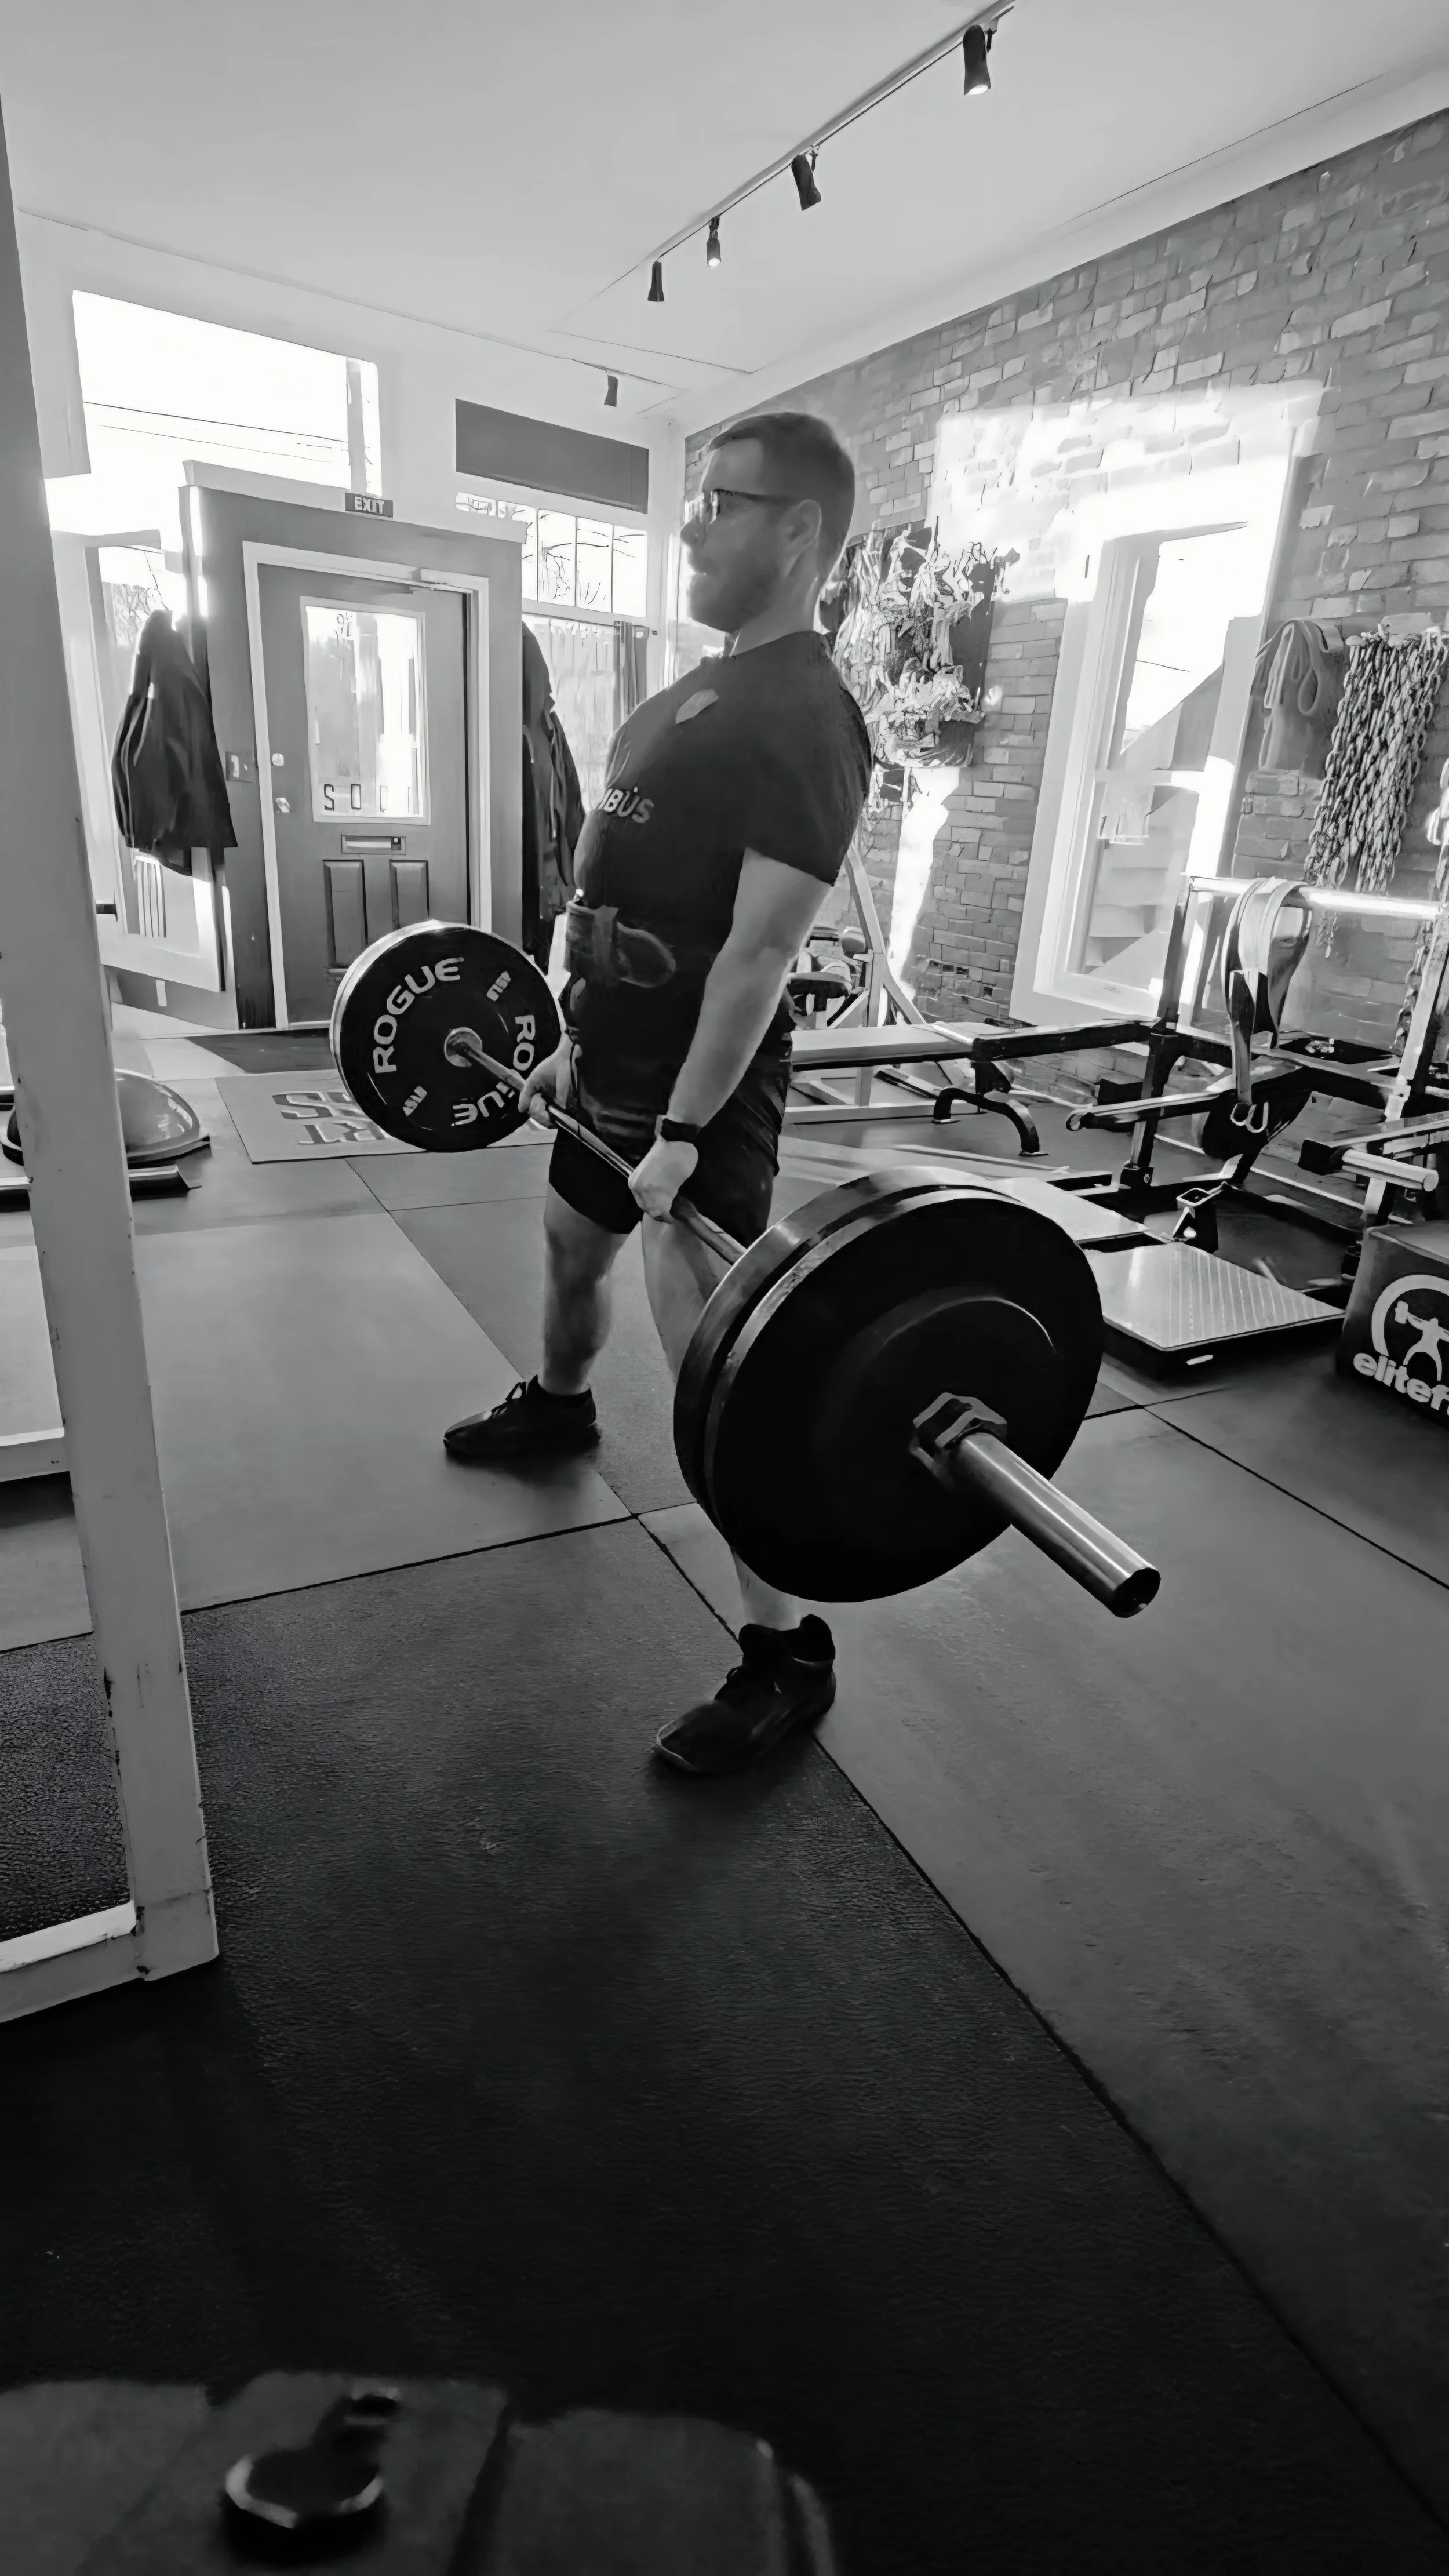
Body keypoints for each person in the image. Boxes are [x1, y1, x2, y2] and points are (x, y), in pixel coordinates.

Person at [445, 412, 871, 1775]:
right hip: (607, 1056)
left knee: (716, 1369)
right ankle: (561, 1401)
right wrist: (570, 1041)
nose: (689, 523)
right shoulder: (687, 695)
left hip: (703, 1092)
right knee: (569, 1251)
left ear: (796, 531)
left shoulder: (807, 715)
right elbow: (612, 900)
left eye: (719, 502)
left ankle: (785, 1651)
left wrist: (684, 1131)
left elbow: (756, 952)